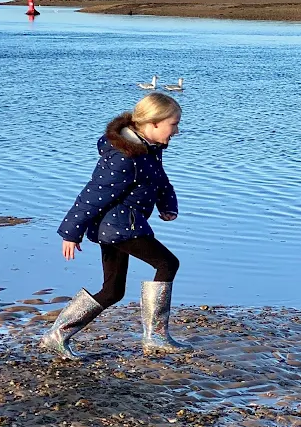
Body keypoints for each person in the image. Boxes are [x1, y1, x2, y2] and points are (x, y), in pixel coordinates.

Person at [41, 92, 191, 360]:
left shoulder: (149, 149)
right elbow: (93, 194)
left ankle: (57, 335)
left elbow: (161, 181)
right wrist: (70, 232)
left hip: (121, 227)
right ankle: (155, 335)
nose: (177, 131)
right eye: (174, 124)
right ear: (154, 123)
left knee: (112, 291)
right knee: (167, 263)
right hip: (121, 227)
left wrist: (168, 206)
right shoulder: (124, 158)